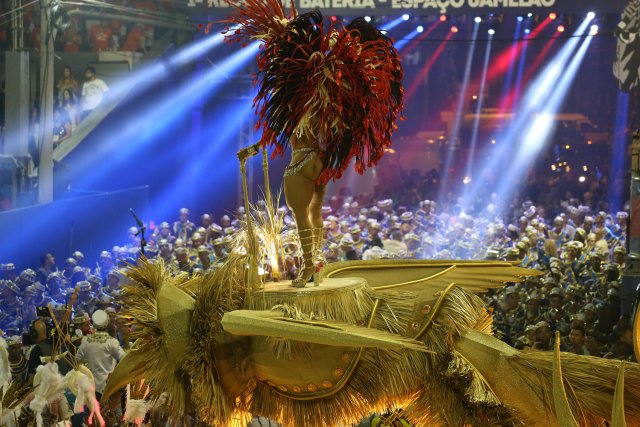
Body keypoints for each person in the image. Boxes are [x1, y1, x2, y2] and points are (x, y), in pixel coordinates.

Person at [231, 3, 403, 288]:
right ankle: (317, 263)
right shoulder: (324, 107)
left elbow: (275, 134)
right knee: (314, 215)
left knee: (302, 219)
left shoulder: (298, 106)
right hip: (321, 163)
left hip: (301, 164)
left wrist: (251, 150)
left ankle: (308, 267)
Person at [75, 309, 125, 400]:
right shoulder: (112, 342)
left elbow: (76, 361)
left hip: (90, 386)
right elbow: (124, 359)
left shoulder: (85, 341)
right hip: (108, 387)